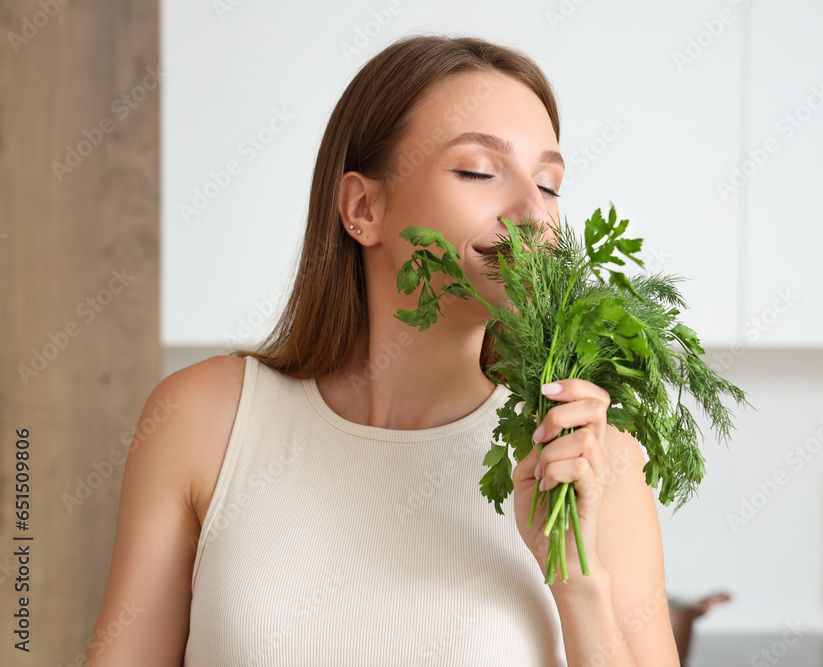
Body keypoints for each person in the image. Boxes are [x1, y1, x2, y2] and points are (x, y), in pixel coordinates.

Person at [84, 34, 679, 666]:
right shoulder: (202, 421)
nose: (534, 213)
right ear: (363, 208)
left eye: (549, 184)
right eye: (478, 171)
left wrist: (575, 583)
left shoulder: (587, 462)